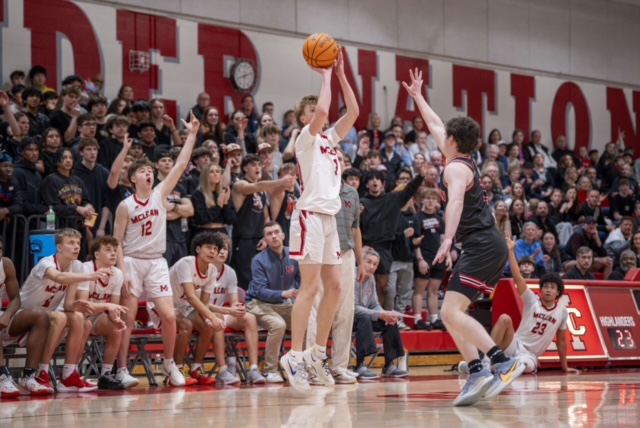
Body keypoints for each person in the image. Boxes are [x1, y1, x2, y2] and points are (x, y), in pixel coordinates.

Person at [403, 67, 524, 406]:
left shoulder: (455, 168)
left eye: (446, 137)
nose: (440, 136)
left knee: (451, 312)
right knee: (453, 312)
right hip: (487, 245)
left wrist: (446, 238)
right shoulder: (461, 156)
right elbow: (436, 124)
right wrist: (417, 97)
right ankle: (476, 369)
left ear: (453, 142)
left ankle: (500, 360)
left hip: (483, 244)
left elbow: (455, 201)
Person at [279, 50, 360, 392]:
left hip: (330, 217)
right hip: (309, 216)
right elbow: (327, 110)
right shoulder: (306, 138)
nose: (319, 114)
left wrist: (341, 73)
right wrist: (325, 73)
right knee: (310, 288)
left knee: (337, 288)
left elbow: (353, 112)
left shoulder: (329, 138)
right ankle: (294, 356)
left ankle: (316, 354)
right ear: (302, 118)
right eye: (311, 111)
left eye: (318, 109)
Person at [113, 111, 200, 388]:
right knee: (127, 316)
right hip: (132, 262)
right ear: (133, 178)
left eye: (150, 171)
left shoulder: (161, 194)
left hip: (156, 262)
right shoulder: (125, 206)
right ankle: (122, 369)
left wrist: (193, 134)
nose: (149, 173)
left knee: (169, 314)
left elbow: (181, 163)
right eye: (143, 171)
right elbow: (116, 243)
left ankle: (169, 363)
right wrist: (123, 272)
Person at [460, 233, 578, 375]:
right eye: (546, 287)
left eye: (552, 288)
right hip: (514, 344)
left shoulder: (562, 312)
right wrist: (510, 251)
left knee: (523, 366)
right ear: (541, 289)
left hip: (530, 355)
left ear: (558, 292)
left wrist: (564, 367)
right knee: (504, 318)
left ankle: (484, 366)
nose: (548, 290)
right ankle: (486, 361)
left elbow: (562, 341)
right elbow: (517, 277)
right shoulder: (532, 300)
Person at [19, 228, 112, 392]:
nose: (77, 247)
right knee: (61, 318)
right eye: (71, 243)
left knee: (81, 320)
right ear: (59, 247)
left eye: (78, 243)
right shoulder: (46, 263)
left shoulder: (76, 266)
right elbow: (59, 277)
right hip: (22, 316)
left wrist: (79, 306)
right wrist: (91, 276)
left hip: (46, 318)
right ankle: (43, 372)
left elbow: (68, 304)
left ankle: (69, 375)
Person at [306, 148, 364, 384]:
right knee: (316, 311)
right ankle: (313, 366)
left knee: (345, 312)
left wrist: (361, 262)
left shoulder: (352, 192)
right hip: (320, 257)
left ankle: (340, 366)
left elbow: (356, 228)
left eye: (341, 159)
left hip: (347, 255)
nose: (337, 162)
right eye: (333, 158)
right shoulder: (314, 187)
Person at [147, 232, 228, 386]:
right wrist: (212, 316)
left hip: (183, 305)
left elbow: (203, 303)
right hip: (162, 303)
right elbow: (191, 296)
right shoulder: (186, 263)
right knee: (187, 325)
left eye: (215, 249)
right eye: (208, 247)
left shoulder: (212, 270)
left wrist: (209, 319)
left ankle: (196, 369)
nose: (212, 251)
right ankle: (177, 369)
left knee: (207, 326)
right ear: (198, 249)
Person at [63, 236, 128, 390]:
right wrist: (108, 306)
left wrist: (116, 318)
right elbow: (83, 305)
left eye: (114, 250)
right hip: (77, 315)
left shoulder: (117, 273)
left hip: (96, 317)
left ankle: (106, 375)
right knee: (83, 322)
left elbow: (114, 306)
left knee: (117, 327)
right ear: (97, 255)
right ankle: (72, 373)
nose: (113, 254)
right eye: (108, 250)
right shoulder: (85, 269)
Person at [207, 234, 266, 384]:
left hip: (220, 312)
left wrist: (237, 308)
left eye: (225, 249)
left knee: (249, 318)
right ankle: (223, 370)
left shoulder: (230, 272)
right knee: (218, 318)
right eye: (219, 248)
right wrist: (227, 311)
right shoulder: (203, 270)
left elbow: (233, 302)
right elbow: (201, 303)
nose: (222, 252)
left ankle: (253, 369)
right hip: (202, 314)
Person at [246, 222, 300, 383]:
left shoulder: (294, 256)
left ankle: (300, 365)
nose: (274, 236)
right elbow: (261, 290)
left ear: (283, 235)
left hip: (283, 303)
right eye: (269, 234)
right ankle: (270, 370)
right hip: (258, 303)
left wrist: (295, 293)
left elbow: (299, 280)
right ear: (265, 239)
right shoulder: (258, 260)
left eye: (277, 232)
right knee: (278, 325)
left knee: (306, 323)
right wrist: (283, 293)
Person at [231, 154, 294, 289]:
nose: (257, 167)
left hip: (259, 241)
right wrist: (281, 182)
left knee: (261, 278)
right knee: (245, 280)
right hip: (243, 240)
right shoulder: (240, 185)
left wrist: (266, 238)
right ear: (245, 168)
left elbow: (266, 217)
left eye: (259, 165)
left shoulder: (262, 193)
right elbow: (259, 185)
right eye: (253, 165)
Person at [0, 240, 52, 396]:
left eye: (0, 248)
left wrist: (7, 315)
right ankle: (2, 377)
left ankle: (29, 376)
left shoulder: (5, 264)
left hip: (2, 317)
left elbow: (16, 298)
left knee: (40, 316)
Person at [353, 250, 408, 380]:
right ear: (361, 262)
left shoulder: (371, 278)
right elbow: (353, 308)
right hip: (350, 318)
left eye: (375, 264)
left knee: (390, 320)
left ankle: (389, 365)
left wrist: (385, 313)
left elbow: (374, 304)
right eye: (368, 262)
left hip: (365, 316)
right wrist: (379, 314)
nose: (371, 267)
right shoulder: (352, 276)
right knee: (365, 318)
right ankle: (360, 365)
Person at [413, 188, 447, 331]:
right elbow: (415, 241)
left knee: (434, 291)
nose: (431, 201)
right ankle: (417, 319)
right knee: (420, 290)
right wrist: (420, 259)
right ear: (422, 200)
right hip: (424, 257)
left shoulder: (439, 219)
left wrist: (446, 256)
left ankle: (434, 318)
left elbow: (443, 239)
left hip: (437, 258)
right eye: (428, 198)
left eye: (434, 199)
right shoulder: (417, 218)